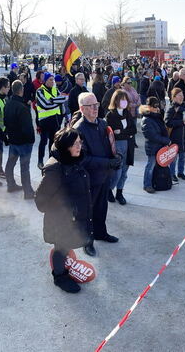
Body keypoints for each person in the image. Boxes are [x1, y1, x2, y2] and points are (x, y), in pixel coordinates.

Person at [34, 128, 92, 293]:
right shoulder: (55, 169)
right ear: (65, 147)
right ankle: (59, 276)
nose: (79, 146)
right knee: (60, 247)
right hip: (61, 219)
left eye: (80, 142)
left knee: (65, 246)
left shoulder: (73, 160)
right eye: (74, 144)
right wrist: (62, 209)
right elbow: (41, 201)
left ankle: (64, 267)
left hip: (73, 217)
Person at [72, 92, 121, 257]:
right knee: (87, 212)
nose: (95, 108)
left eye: (96, 104)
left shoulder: (102, 123)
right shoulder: (78, 129)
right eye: (90, 106)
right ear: (82, 108)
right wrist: (107, 163)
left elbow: (109, 146)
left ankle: (101, 233)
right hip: (88, 179)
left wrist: (115, 157)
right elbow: (82, 159)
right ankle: (87, 241)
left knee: (102, 207)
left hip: (104, 176)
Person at [2, 80, 36, 199]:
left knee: (10, 163)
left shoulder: (8, 104)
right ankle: (28, 192)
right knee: (24, 167)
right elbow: (27, 127)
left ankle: (10, 184)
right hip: (23, 142)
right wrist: (31, 140)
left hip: (13, 140)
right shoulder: (23, 107)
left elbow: (5, 122)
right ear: (21, 90)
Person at [104, 90, 136, 205]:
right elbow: (111, 133)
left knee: (124, 171)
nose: (124, 102)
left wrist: (121, 132)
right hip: (117, 146)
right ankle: (109, 189)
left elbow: (134, 130)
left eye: (125, 100)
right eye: (122, 99)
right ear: (116, 100)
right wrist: (126, 133)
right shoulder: (110, 115)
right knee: (116, 171)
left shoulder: (127, 113)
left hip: (128, 145)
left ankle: (119, 192)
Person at [34, 73, 68, 166]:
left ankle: (50, 161)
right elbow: (45, 105)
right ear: (45, 80)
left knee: (53, 143)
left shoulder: (55, 89)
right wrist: (55, 100)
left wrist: (52, 101)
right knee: (43, 141)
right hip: (44, 121)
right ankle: (40, 161)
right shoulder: (40, 91)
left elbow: (62, 101)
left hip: (55, 120)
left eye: (53, 80)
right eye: (50, 80)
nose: (52, 82)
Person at [165, 88, 185, 182]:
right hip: (175, 136)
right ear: (174, 97)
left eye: (182, 95)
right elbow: (167, 122)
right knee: (174, 156)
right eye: (179, 95)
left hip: (184, 135)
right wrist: (181, 122)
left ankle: (180, 172)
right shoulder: (171, 108)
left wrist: (181, 109)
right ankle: (172, 173)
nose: (182, 97)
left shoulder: (184, 106)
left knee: (183, 155)